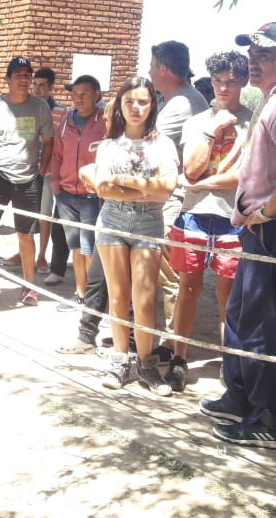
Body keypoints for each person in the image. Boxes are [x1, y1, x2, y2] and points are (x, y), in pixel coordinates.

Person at [200, 21, 276, 450]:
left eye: (265, 54)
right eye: (252, 53)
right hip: (264, 228)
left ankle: (265, 421)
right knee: (241, 317)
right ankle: (240, 399)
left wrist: (268, 211)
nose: (254, 61)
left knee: (262, 325)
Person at [166, 51, 252, 392]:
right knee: (188, 289)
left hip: (232, 216)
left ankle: (229, 363)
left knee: (228, 297)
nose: (224, 87)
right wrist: (214, 131)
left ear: (243, 81)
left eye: (231, 81)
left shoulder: (254, 122)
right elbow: (191, 169)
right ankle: (179, 357)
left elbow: (243, 175)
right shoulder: (198, 121)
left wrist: (201, 185)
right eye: (218, 81)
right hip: (195, 216)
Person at [93, 77, 178, 396]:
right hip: (112, 220)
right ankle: (119, 362)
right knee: (118, 296)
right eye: (129, 101)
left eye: (143, 101)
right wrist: (145, 188)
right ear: (120, 105)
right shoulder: (109, 144)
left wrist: (125, 181)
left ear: (152, 105)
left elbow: (167, 186)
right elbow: (102, 187)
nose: (136, 107)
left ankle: (146, 364)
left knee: (144, 299)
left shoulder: (162, 144)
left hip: (148, 223)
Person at [148, 40, 208, 336]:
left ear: (163, 69)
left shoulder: (182, 104)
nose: (148, 72)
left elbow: (143, 143)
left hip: (176, 199)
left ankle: (172, 342)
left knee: (170, 272)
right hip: (170, 195)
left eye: (151, 66)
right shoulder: (175, 100)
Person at [0, 56, 54, 306]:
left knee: (25, 235)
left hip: (29, 180)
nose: (23, 79)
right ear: (8, 79)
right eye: (18, 75)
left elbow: (48, 142)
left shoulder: (40, 107)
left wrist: (41, 171)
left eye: (27, 75)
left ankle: (29, 288)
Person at [50, 74, 105, 317]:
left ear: (97, 95)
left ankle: (94, 301)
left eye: (85, 94)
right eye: (75, 94)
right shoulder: (66, 120)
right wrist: (55, 183)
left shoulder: (105, 123)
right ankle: (80, 293)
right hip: (66, 195)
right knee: (75, 247)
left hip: (91, 196)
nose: (78, 99)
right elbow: (57, 155)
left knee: (89, 249)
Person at [31, 67, 70, 283]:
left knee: (44, 213)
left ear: (51, 87)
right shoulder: (27, 107)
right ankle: (25, 251)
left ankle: (42, 255)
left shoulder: (62, 112)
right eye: (35, 85)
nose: (37, 89)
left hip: (48, 172)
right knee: (27, 212)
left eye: (42, 85)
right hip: (27, 168)